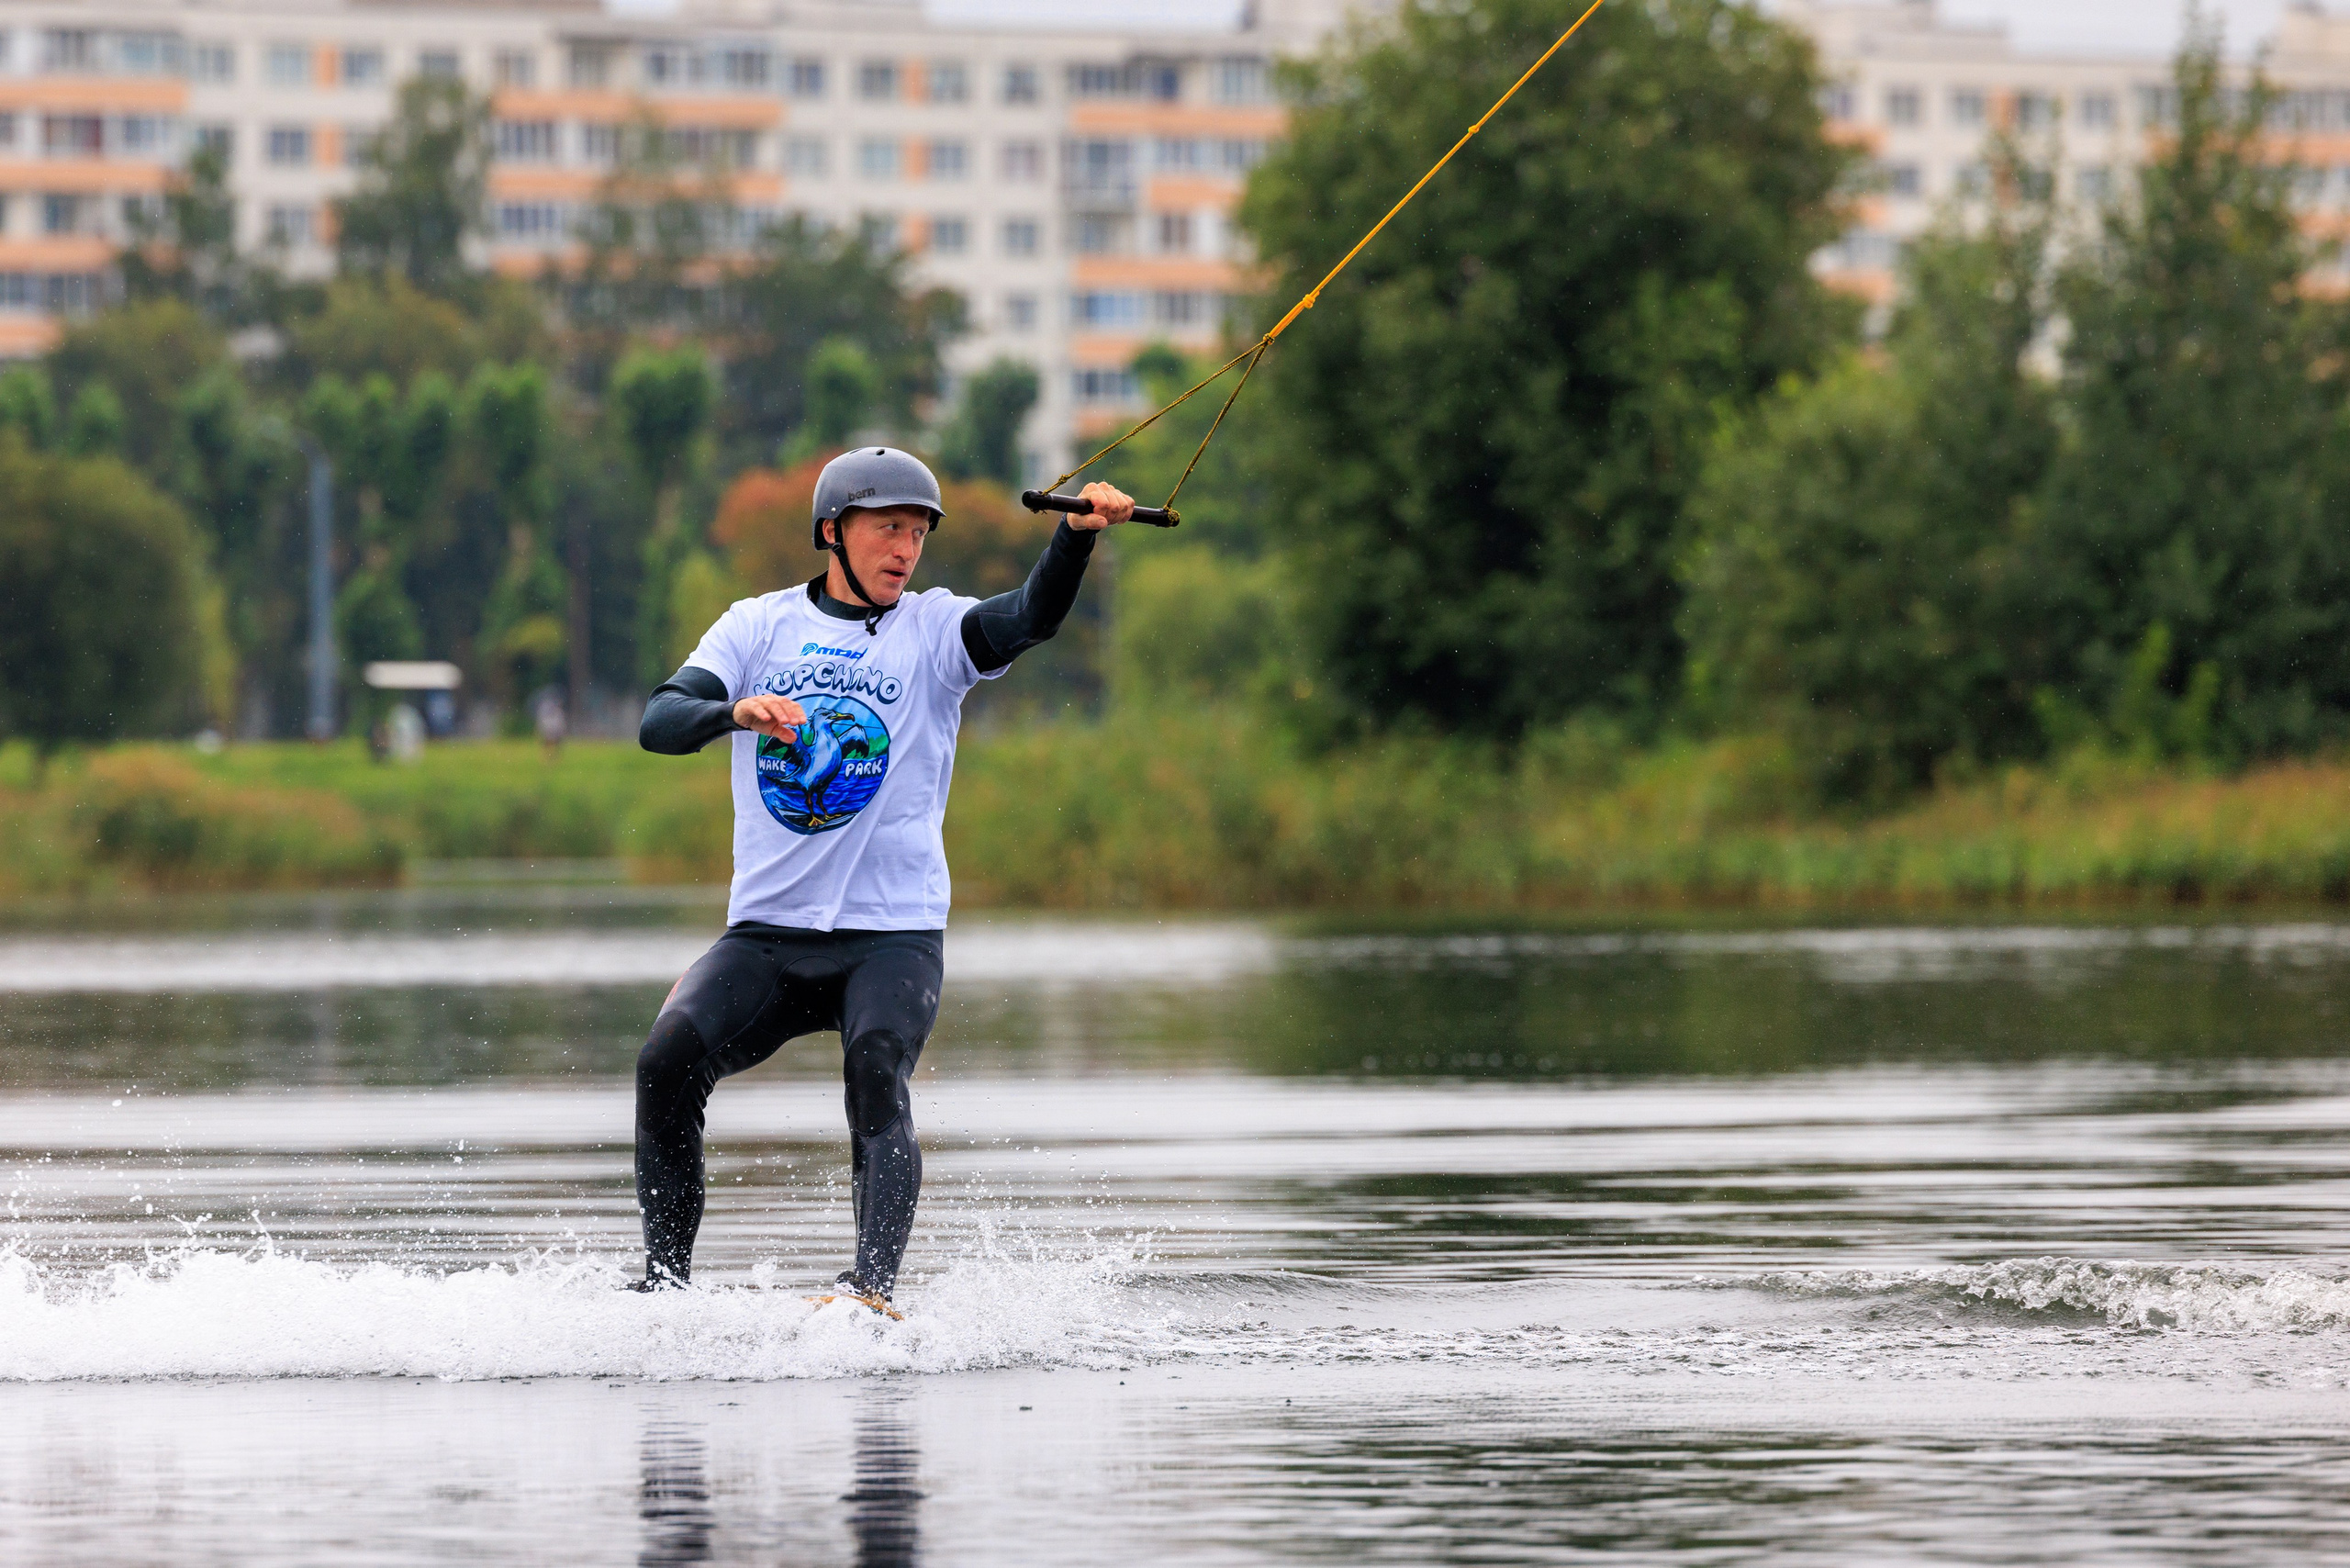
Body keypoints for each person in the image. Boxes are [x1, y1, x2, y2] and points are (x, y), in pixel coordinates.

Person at [630, 447, 1134, 1304]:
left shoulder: (934, 631)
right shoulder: (758, 627)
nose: (905, 547)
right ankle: (662, 1290)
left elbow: (1026, 618)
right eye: (886, 528)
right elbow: (659, 721)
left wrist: (1074, 541)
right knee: (665, 1058)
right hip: (770, 934)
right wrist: (733, 711)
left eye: (917, 532)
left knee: (875, 1065)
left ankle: (869, 1292)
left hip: (891, 934)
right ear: (833, 532)